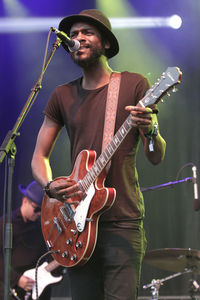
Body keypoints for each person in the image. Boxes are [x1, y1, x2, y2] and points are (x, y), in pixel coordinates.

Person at [31, 9, 166, 300]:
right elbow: (39, 156)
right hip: (74, 227)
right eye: (74, 34)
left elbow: (155, 156)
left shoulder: (133, 85)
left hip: (121, 221)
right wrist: (49, 187)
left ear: (105, 43)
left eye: (86, 32)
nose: (78, 38)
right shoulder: (62, 95)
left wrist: (151, 130)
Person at [0, 181, 51, 300]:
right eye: (37, 209)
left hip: (33, 288)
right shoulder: (5, 224)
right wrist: (16, 279)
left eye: (42, 210)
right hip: (8, 287)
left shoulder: (41, 228)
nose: (39, 214)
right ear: (25, 201)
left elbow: (44, 258)